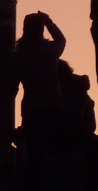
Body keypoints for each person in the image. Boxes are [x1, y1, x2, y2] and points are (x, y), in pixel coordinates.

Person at [13, 11, 66, 176]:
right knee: (52, 150)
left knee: (34, 152)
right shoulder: (49, 51)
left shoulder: (20, 54)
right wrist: (49, 21)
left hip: (31, 108)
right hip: (53, 106)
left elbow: (13, 84)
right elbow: (61, 39)